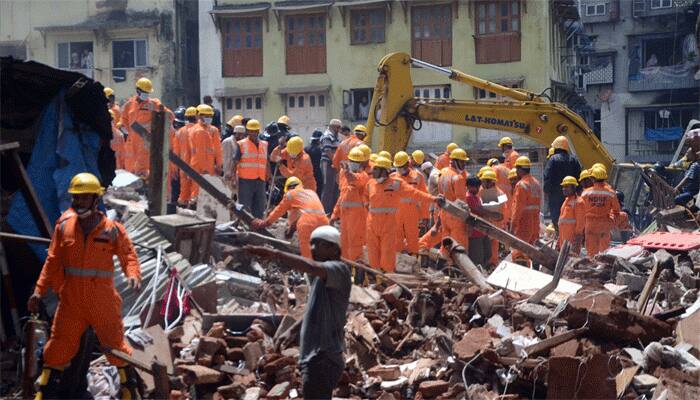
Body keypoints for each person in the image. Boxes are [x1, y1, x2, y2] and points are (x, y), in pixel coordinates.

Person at [27, 173, 142, 399]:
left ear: (95, 199)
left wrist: (133, 274)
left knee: (116, 349)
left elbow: (128, 255)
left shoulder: (111, 229)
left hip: (102, 302)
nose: (79, 202)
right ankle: (43, 395)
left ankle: (130, 394)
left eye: (84, 198)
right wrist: (38, 291)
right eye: (76, 198)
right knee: (57, 350)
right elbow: (52, 262)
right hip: (71, 303)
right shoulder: (64, 227)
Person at [243, 225, 350, 400]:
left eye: (319, 244)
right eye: (311, 244)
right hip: (315, 357)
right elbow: (314, 310)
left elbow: (312, 266)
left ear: (333, 248)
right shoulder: (322, 278)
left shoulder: (339, 270)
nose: (313, 248)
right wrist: (292, 330)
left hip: (323, 357)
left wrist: (276, 254)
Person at [365, 156, 436, 273]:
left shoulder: (396, 183)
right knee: (374, 253)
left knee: (390, 252)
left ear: (386, 171)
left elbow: (417, 194)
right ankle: (377, 277)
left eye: (377, 169)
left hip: (390, 223)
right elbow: (363, 197)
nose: (374, 172)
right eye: (375, 169)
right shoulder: (370, 184)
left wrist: (433, 200)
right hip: (372, 224)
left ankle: (397, 273)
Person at [253, 177, 328, 258]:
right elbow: (308, 214)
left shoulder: (290, 195)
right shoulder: (311, 193)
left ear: (288, 188)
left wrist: (265, 223)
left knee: (307, 257)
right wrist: (292, 229)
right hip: (324, 222)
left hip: (307, 223)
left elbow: (278, 211)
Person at [120, 77, 174, 178]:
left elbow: (169, 116)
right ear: (137, 91)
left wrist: (154, 130)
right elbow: (124, 120)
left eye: (147, 92)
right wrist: (131, 133)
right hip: (131, 143)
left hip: (146, 141)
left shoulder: (154, 103)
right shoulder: (129, 104)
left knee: (143, 171)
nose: (146, 94)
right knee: (130, 171)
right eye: (144, 91)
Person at [330, 147, 369, 262]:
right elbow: (342, 196)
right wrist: (334, 214)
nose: (354, 164)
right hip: (345, 214)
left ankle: (355, 267)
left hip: (357, 215)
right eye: (352, 161)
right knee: (345, 241)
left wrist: (347, 172)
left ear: (361, 163)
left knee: (355, 242)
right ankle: (346, 265)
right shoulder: (344, 175)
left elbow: (355, 180)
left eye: (356, 162)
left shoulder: (363, 176)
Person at [391, 151, 428, 255]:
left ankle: (413, 263)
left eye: (401, 166)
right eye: (398, 166)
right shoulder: (393, 177)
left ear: (408, 164)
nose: (399, 169)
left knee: (412, 239)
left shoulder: (418, 176)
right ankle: (398, 263)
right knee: (397, 240)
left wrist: (425, 216)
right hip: (396, 214)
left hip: (412, 214)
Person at [184, 104, 222, 203]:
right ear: (199, 116)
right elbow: (201, 153)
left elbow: (216, 150)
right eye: (206, 116)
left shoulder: (198, 129)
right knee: (200, 193)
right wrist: (206, 168)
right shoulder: (200, 131)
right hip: (203, 167)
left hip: (200, 166)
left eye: (210, 116)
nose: (209, 118)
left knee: (200, 192)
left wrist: (218, 165)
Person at [543, 136, 582, 228]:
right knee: (571, 217)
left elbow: (547, 176)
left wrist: (547, 191)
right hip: (572, 195)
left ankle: (558, 233)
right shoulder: (574, 160)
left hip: (555, 195)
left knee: (557, 218)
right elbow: (579, 178)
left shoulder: (553, 159)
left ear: (556, 147)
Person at [581, 167, 620, 256]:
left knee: (591, 251)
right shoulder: (610, 192)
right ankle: (603, 267)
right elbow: (616, 210)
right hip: (604, 224)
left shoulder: (586, 193)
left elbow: (580, 208)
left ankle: (592, 266)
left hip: (590, 224)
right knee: (604, 251)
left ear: (593, 178)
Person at [510, 156, 542, 265]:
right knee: (534, 251)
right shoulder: (536, 183)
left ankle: (522, 278)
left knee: (520, 253)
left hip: (523, 224)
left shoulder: (521, 185)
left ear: (519, 169)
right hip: (535, 224)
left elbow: (518, 208)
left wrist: (513, 226)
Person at [438, 148, 471, 249]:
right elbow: (461, 202)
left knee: (446, 242)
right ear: (455, 161)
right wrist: (468, 217)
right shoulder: (458, 178)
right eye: (462, 162)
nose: (464, 164)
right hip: (456, 215)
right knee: (459, 245)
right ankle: (456, 265)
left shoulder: (443, 173)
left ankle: (446, 262)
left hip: (444, 213)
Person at [236, 119, 269, 218]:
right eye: (251, 131)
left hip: (260, 180)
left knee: (259, 207)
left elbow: (266, 161)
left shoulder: (264, 144)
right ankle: (244, 227)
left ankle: (257, 227)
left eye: (255, 131)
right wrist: (233, 177)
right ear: (247, 131)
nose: (253, 133)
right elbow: (235, 161)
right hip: (245, 180)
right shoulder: (241, 144)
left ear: (258, 131)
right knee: (245, 207)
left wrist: (269, 174)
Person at [466, 176, 501, 266]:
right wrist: (492, 215)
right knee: (478, 256)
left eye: (478, 186)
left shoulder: (476, 197)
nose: (478, 189)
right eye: (475, 187)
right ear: (469, 187)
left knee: (488, 254)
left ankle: (483, 270)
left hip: (483, 231)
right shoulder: (469, 197)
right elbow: (478, 209)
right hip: (475, 232)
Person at [479, 169, 508, 266]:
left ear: (490, 181)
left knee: (494, 247)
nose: (482, 182)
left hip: (495, 224)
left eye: (484, 181)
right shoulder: (481, 191)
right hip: (483, 224)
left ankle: (493, 264)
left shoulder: (501, 193)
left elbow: (505, 209)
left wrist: (502, 221)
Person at [558, 176, 585, 254]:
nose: (564, 189)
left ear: (573, 187)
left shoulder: (579, 202)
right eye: (563, 186)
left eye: (567, 187)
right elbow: (562, 222)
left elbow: (580, 224)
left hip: (572, 242)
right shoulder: (566, 201)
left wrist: (576, 241)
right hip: (564, 242)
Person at [321, 119, 343, 213]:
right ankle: (324, 211)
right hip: (328, 163)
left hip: (334, 164)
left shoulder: (337, 137)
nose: (339, 129)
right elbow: (328, 151)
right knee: (327, 188)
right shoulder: (327, 136)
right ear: (333, 127)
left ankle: (333, 211)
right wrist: (336, 162)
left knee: (335, 188)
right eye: (338, 127)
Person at [177, 106, 198, 206]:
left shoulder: (180, 131)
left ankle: (182, 208)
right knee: (195, 189)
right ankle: (193, 207)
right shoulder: (199, 130)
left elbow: (176, 151)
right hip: (196, 165)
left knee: (184, 190)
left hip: (183, 165)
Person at [222, 125, 246, 193]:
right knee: (228, 195)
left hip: (238, 174)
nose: (242, 136)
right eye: (240, 134)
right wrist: (229, 173)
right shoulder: (228, 142)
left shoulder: (241, 143)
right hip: (229, 174)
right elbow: (226, 159)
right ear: (236, 133)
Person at [306, 129, 324, 196]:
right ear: (320, 140)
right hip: (318, 174)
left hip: (307, 175)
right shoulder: (320, 150)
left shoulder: (306, 149)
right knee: (318, 193)